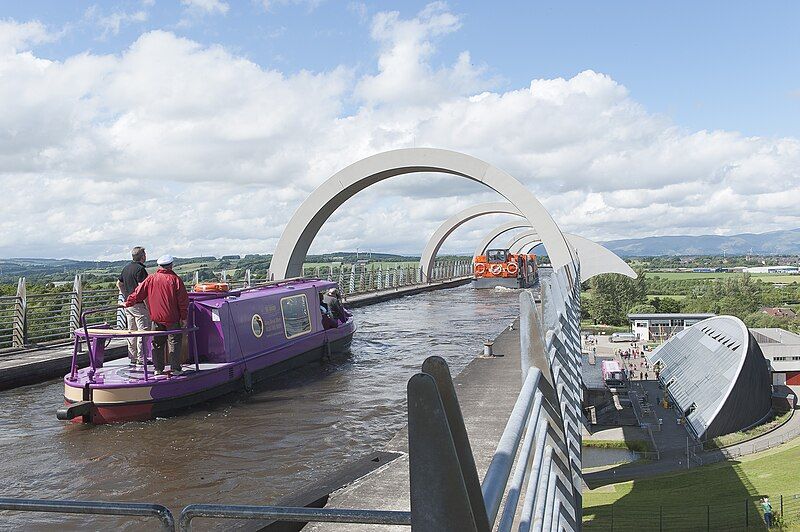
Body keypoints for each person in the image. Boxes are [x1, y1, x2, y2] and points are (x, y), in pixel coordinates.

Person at [125, 254, 189, 376]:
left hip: (156, 318)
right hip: (172, 318)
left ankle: (158, 369)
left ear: (159, 266)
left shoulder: (151, 279)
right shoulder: (175, 280)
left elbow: (138, 293)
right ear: (171, 265)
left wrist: (128, 303)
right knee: (174, 341)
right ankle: (175, 369)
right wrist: (184, 317)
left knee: (157, 343)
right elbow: (183, 301)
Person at [117, 246, 150, 366]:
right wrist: (148, 307)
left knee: (131, 332)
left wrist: (126, 295)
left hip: (128, 305)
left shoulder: (126, 268)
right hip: (139, 305)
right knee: (143, 332)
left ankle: (132, 357)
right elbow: (143, 290)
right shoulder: (140, 270)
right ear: (142, 256)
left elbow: (119, 283)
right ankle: (142, 359)